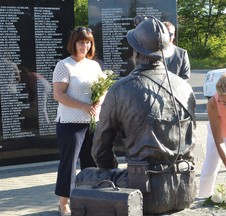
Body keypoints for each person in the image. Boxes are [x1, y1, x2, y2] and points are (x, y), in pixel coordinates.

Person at [75, 17, 197, 214]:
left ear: (135, 51)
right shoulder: (185, 87)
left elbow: (100, 151)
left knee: (85, 176)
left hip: (144, 194)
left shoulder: (121, 89)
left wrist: (112, 173)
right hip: (185, 189)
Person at [52, 26, 106, 216]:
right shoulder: (64, 65)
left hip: (92, 122)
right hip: (70, 124)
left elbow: (103, 88)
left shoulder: (94, 65)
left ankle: (87, 199)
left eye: (88, 42)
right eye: (81, 42)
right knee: (69, 163)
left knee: (90, 163)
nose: (85, 46)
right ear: (73, 43)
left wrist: (99, 100)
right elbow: (58, 94)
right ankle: (64, 202)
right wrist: (82, 106)